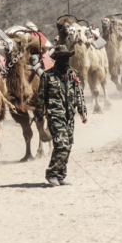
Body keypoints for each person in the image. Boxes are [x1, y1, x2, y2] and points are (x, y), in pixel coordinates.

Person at [34, 45, 87, 186]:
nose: (65, 60)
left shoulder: (73, 74)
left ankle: (60, 175)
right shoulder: (47, 76)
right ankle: (51, 173)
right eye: (62, 57)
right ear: (56, 59)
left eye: (67, 57)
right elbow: (40, 98)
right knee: (62, 143)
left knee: (68, 145)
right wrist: (38, 116)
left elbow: (79, 94)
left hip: (70, 114)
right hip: (55, 115)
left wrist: (82, 111)